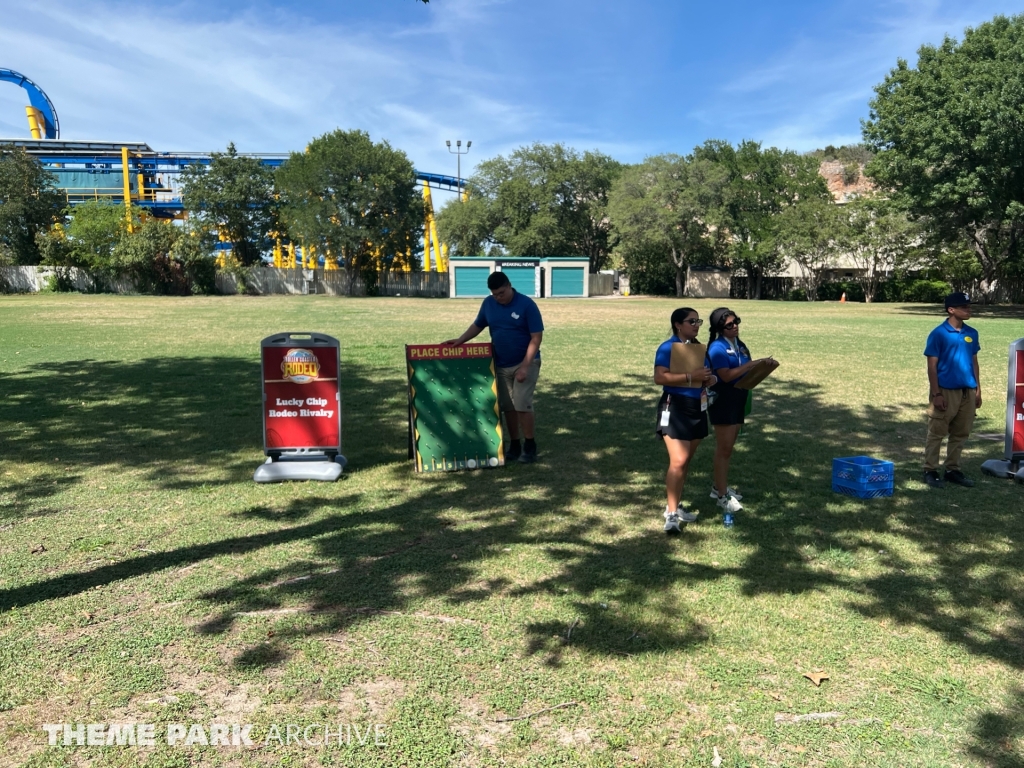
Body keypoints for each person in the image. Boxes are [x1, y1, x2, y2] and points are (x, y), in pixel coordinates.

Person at [442, 271, 544, 463]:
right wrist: (461, 340)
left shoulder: (527, 305)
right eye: (494, 294)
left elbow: (536, 338)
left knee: (522, 404)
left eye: (501, 293)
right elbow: (478, 325)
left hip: (526, 362)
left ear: (509, 285)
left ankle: (530, 446)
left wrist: (525, 366)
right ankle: (514, 445)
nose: (498, 297)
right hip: (501, 363)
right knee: (508, 407)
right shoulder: (488, 304)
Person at [706, 307, 779, 519]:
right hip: (723, 401)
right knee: (724, 449)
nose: (735, 326)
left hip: (739, 398)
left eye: (736, 321)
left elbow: (747, 371)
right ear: (720, 328)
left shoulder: (740, 345)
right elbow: (726, 376)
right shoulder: (717, 348)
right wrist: (751, 365)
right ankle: (721, 495)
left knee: (729, 447)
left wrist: (763, 367)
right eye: (729, 324)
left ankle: (718, 486)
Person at [654, 308, 718, 534]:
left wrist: (710, 379)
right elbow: (659, 377)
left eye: (698, 321)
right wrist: (691, 377)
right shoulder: (667, 348)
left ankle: (675, 504)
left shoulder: (699, 349)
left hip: (697, 407)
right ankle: (670, 516)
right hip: (674, 406)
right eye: (692, 321)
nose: (696, 324)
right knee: (679, 460)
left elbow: (709, 374)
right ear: (677, 325)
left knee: (685, 461)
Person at [923, 292, 982, 488]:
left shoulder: (971, 333)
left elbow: (974, 362)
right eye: (964, 307)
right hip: (946, 391)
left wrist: (978, 389)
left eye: (969, 307)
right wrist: (936, 393)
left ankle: (952, 469)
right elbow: (932, 366)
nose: (969, 310)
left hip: (968, 390)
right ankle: (930, 470)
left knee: (961, 432)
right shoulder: (938, 334)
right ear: (951, 310)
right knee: (937, 432)